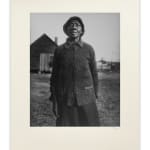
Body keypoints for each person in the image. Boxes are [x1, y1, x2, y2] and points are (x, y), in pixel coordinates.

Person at [50, 16, 100, 126]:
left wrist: (94, 94)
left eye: (77, 25)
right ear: (66, 30)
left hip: (87, 100)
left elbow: (94, 74)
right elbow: (54, 77)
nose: (74, 27)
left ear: (82, 30)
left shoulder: (89, 49)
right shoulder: (59, 50)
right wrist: (54, 100)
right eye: (71, 25)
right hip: (65, 100)